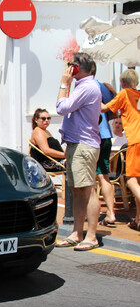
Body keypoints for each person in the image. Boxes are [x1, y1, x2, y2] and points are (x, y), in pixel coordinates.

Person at [55, 53, 102, 251]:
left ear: (76, 68)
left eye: (70, 66)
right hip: (77, 144)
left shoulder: (88, 87)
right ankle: (77, 232)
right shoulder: (83, 86)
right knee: (77, 191)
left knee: (88, 190)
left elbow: (61, 107)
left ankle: (91, 235)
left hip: (84, 144)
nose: (68, 69)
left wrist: (63, 84)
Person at [103, 68, 140, 231]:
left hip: (134, 141)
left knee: (131, 180)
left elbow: (106, 108)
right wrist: (112, 90)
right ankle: (138, 218)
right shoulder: (136, 95)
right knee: (138, 181)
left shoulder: (124, 94)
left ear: (123, 82)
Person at [94, 64, 117, 228]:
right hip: (106, 135)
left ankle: (92, 214)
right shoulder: (103, 87)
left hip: (93, 137)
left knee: (90, 179)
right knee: (104, 176)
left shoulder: (88, 86)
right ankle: (111, 213)